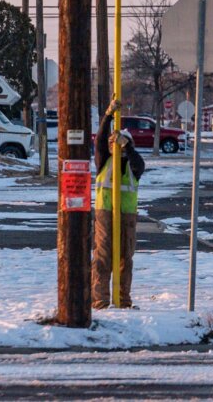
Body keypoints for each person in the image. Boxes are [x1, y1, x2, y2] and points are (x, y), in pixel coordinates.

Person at [92, 99, 145, 309]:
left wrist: (128, 147)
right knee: (103, 257)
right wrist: (108, 116)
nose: (115, 147)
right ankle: (100, 300)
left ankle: (123, 300)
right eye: (114, 143)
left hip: (126, 217)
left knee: (125, 259)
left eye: (120, 143)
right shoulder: (104, 161)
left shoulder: (133, 166)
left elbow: (139, 163)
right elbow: (99, 142)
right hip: (105, 214)